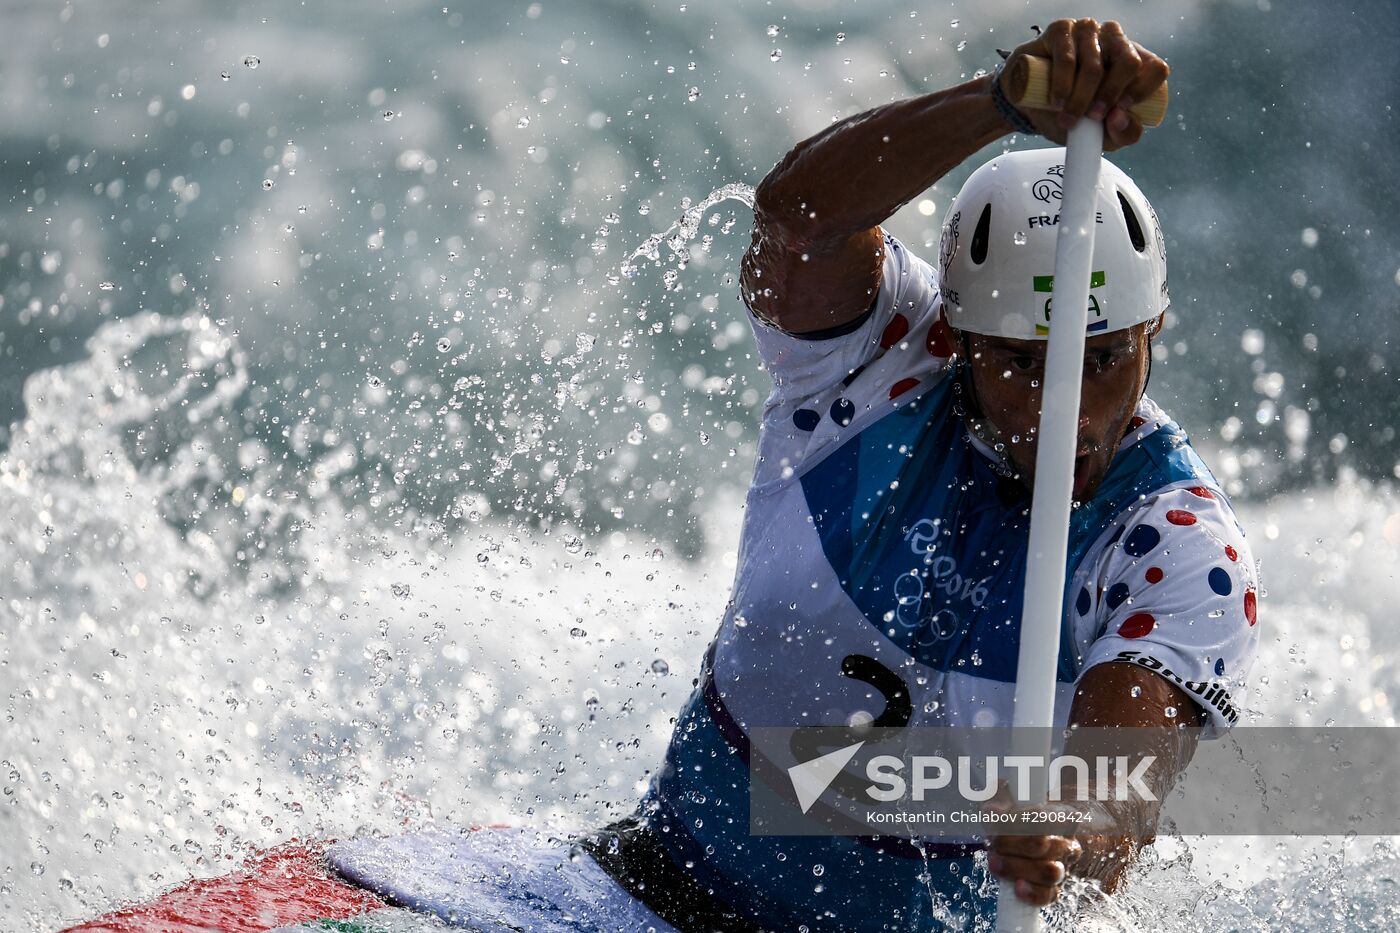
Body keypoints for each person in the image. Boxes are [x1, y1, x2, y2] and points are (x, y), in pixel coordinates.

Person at [65, 17, 1259, 933]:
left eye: (1102, 361)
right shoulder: (879, 364)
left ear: (1154, 335)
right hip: (640, 891)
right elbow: (797, 219)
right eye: (1017, 363)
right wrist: (1003, 99)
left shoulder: (1178, 543)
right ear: (954, 335)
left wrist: (1069, 831)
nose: (1061, 402)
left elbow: (1122, 775)